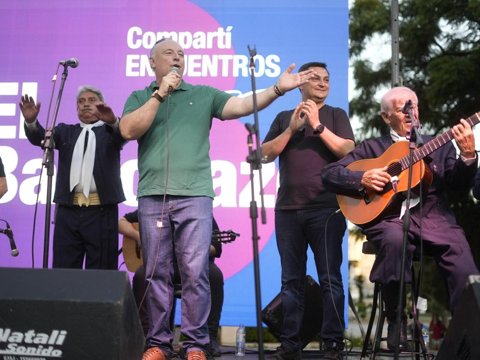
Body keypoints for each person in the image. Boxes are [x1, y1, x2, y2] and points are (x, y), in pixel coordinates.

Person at [119, 37, 315, 360]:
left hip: (196, 195)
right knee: (156, 272)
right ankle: (159, 343)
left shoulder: (202, 95)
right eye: (169, 53)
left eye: (182, 53)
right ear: (153, 62)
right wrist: (160, 94)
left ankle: (196, 344)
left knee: (196, 271)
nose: (178, 57)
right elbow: (128, 130)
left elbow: (240, 104)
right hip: (153, 195)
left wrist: (277, 89)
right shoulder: (140, 97)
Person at [321, 86, 479, 351]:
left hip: (435, 219)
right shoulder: (372, 148)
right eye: (402, 108)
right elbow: (329, 174)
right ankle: (396, 317)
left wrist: (467, 155)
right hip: (389, 221)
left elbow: (459, 183)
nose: (410, 113)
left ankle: (468, 332)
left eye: (413, 106)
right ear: (386, 117)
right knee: (395, 239)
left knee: (462, 257)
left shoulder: (437, 146)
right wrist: (362, 178)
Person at [261, 61, 355, 360]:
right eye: (315, 79)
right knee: (291, 281)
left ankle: (332, 343)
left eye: (327, 79)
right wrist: (292, 129)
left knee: (330, 278)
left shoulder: (336, 115)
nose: (323, 83)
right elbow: (263, 155)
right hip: (288, 210)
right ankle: (291, 344)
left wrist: (317, 126)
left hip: (327, 209)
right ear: (300, 83)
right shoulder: (282, 117)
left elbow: (348, 150)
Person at [19, 86, 126, 269]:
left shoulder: (110, 132)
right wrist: (31, 122)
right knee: (64, 269)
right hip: (68, 211)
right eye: (81, 101)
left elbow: (122, 134)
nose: (86, 104)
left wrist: (113, 122)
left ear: (102, 104)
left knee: (101, 273)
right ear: (76, 108)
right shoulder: (65, 131)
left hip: (101, 212)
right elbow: (41, 139)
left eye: (92, 100)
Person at [118, 210, 225, 357]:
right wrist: (141, 237)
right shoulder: (157, 208)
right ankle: (148, 338)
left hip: (193, 264)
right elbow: (120, 222)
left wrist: (194, 248)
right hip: (162, 263)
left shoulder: (199, 211)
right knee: (141, 275)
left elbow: (216, 248)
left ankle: (209, 338)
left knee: (214, 275)